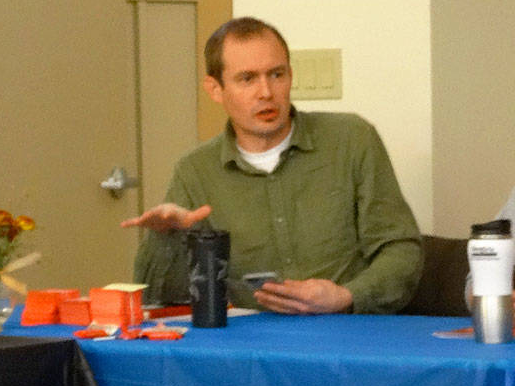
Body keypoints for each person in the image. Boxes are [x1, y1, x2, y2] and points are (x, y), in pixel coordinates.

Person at [122, 17, 422, 314]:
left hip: (349, 329)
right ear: (215, 89)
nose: (266, 92)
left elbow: (401, 250)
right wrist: (167, 236)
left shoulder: (351, 139)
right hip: (251, 338)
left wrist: (347, 296)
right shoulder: (195, 170)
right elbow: (157, 299)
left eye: (277, 75)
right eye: (247, 79)